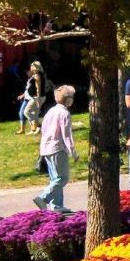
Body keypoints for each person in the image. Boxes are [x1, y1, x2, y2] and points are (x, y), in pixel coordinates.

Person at [34, 85, 78, 213]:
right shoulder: (64, 113)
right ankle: (43, 198)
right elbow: (67, 135)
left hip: (46, 148)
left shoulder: (51, 111)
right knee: (62, 178)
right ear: (67, 99)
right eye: (72, 97)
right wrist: (73, 152)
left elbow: (43, 130)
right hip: (57, 148)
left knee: (54, 178)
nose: (73, 100)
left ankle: (56, 206)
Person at [18, 62, 48, 135]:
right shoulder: (37, 75)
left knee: (26, 112)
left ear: (36, 67)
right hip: (38, 97)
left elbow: (38, 88)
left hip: (37, 97)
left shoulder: (37, 75)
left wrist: (37, 98)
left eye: (32, 66)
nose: (31, 67)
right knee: (35, 113)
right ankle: (37, 129)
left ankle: (37, 125)